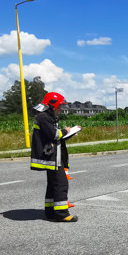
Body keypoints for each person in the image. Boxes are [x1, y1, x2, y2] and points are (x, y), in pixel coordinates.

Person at [30, 92, 81, 222]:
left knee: (53, 185)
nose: (60, 109)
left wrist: (71, 132)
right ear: (53, 105)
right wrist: (66, 130)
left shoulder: (47, 117)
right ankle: (61, 214)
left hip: (54, 157)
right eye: (59, 106)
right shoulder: (44, 117)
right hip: (52, 158)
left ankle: (51, 211)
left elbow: (57, 136)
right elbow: (54, 135)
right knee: (61, 184)